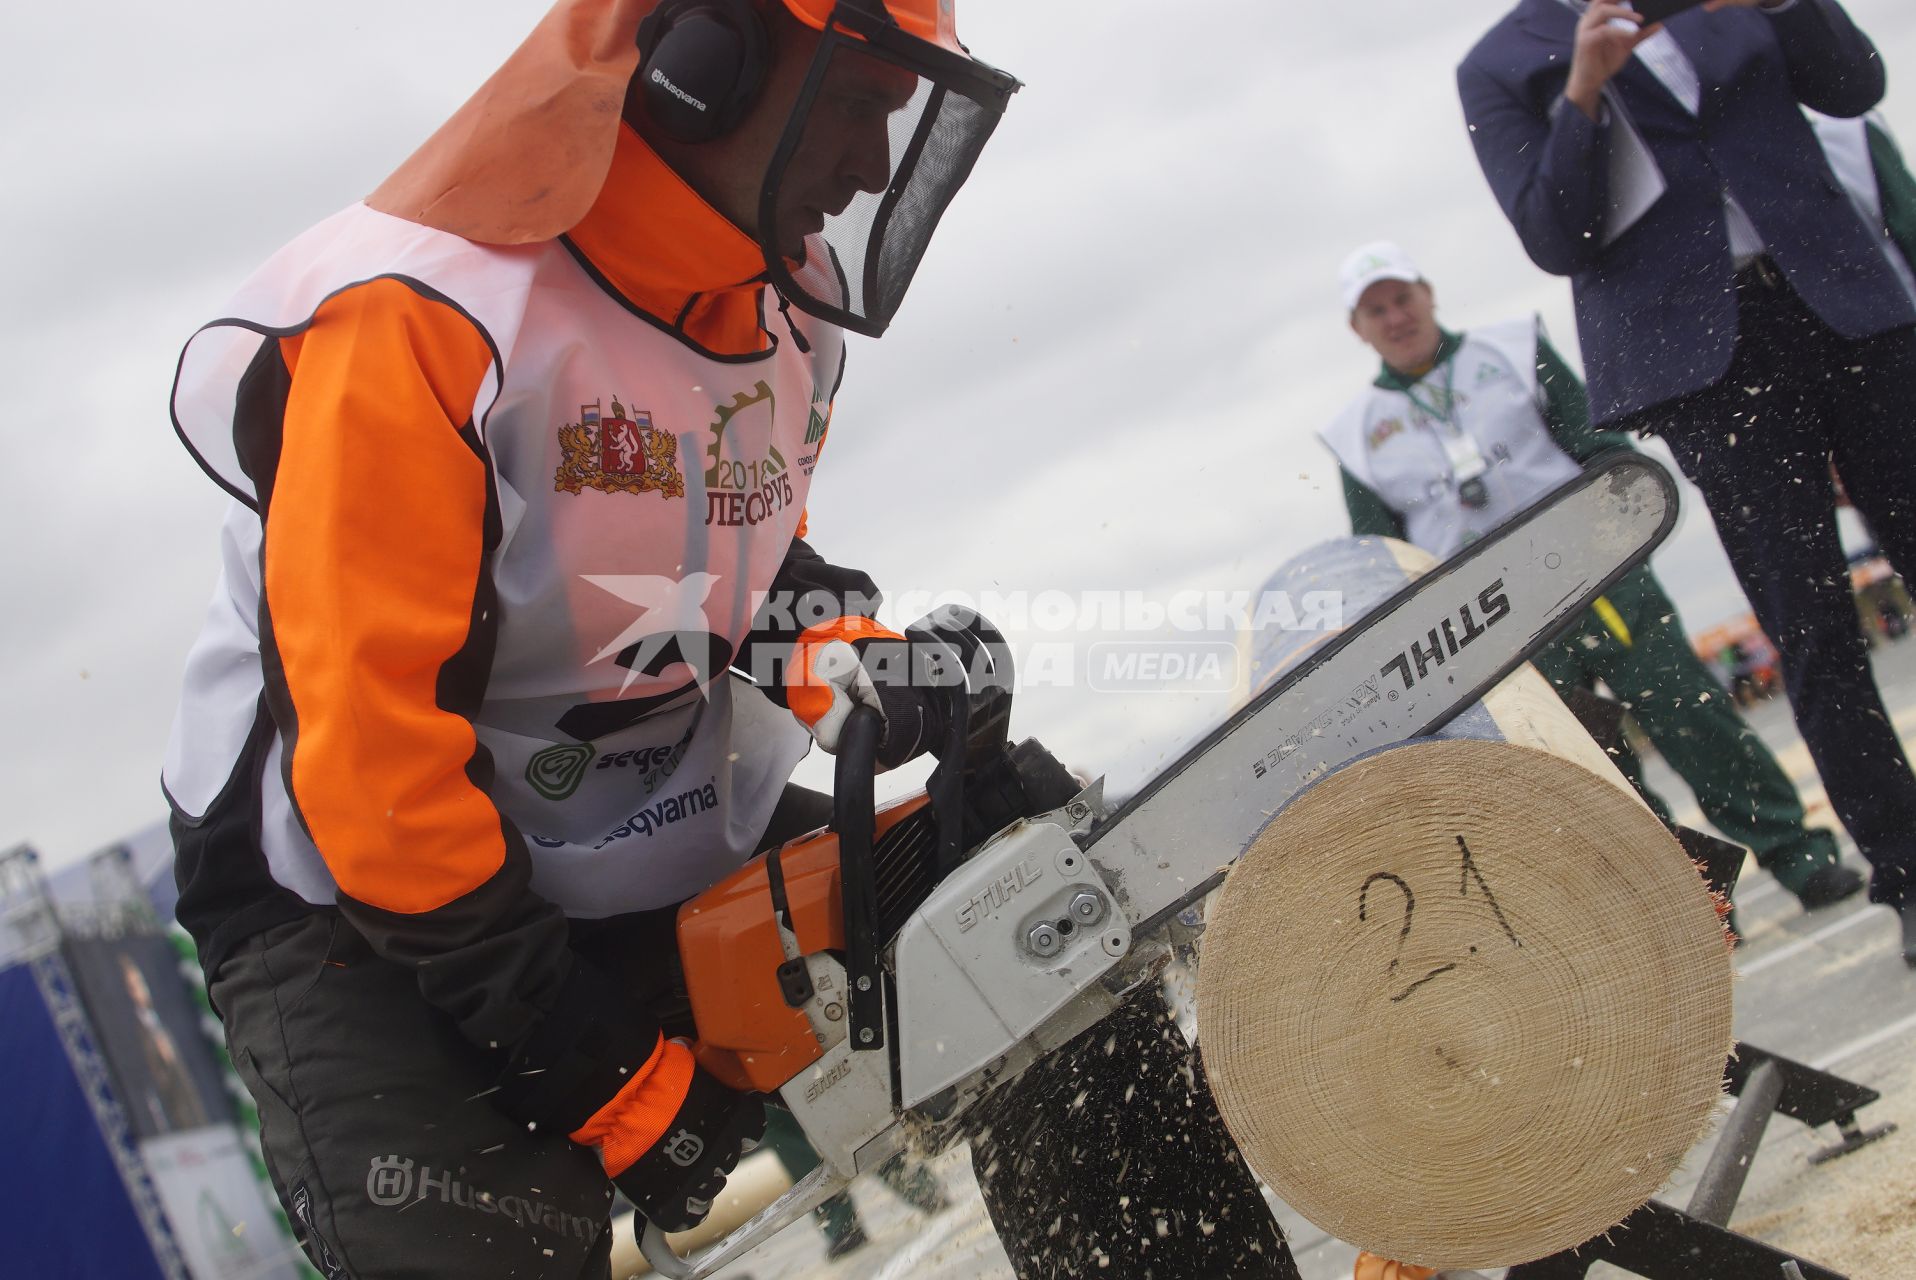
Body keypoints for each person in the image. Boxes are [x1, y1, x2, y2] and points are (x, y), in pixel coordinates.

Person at [162, 3, 1298, 1277]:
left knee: (1028, 891)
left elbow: (736, 561)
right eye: (861, 101)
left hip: (651, 814)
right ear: (708, 60)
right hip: (371, 910)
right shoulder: (422, 319)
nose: (874, 162)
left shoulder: (779, 307)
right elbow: (370, 764)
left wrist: (850, 656)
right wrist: (604, 1074)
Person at [1457, 0, 1916, 965]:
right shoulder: (1503, 65)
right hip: (1715, 369)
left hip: (1846, 305)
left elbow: (1854, 85)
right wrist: (1582, 89)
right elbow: (1553, 235)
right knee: (1811, 624)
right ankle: (1908, 869)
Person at [1324, 242, 1861, 915]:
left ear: (1427, 294)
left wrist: (1616, 522)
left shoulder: (1514, 350)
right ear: (1358, 327)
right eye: (1377, 309)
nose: (1395, 316)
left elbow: (1599, 441)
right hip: (1497, 627)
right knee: (1593, 770)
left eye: (1402, 297)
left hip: (1598, 577)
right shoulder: (1355, 435)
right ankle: (1696, 908)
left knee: (1695, 720)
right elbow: (1381, 558)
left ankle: (1801, 858)